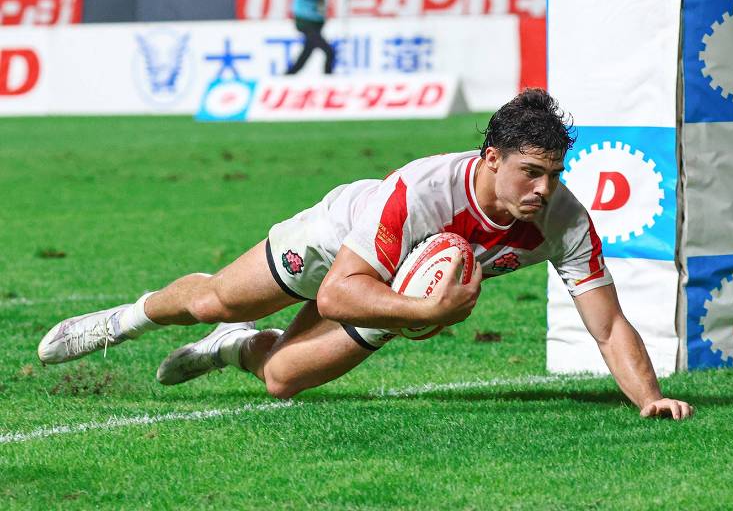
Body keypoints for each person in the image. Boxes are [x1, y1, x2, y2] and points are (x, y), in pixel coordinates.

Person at [38, 89, 693, 420]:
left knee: (279, 381)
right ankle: (130, 318)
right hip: (339, 243)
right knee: (213, 299)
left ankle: (231, 348)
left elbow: (606, 324)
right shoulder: (421, 190)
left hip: (401, 291)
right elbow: (334, 294)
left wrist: (649, 398)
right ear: (491, 159)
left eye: (553, 172)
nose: (543, 188)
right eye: (529, 172)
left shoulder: (562, 218)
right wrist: (423, 308)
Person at [286, 0, 335, 75]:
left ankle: (289, 74)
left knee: (307, 51)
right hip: (306, 22)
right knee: (329, 51)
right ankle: (328, 78)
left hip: (315, 23)